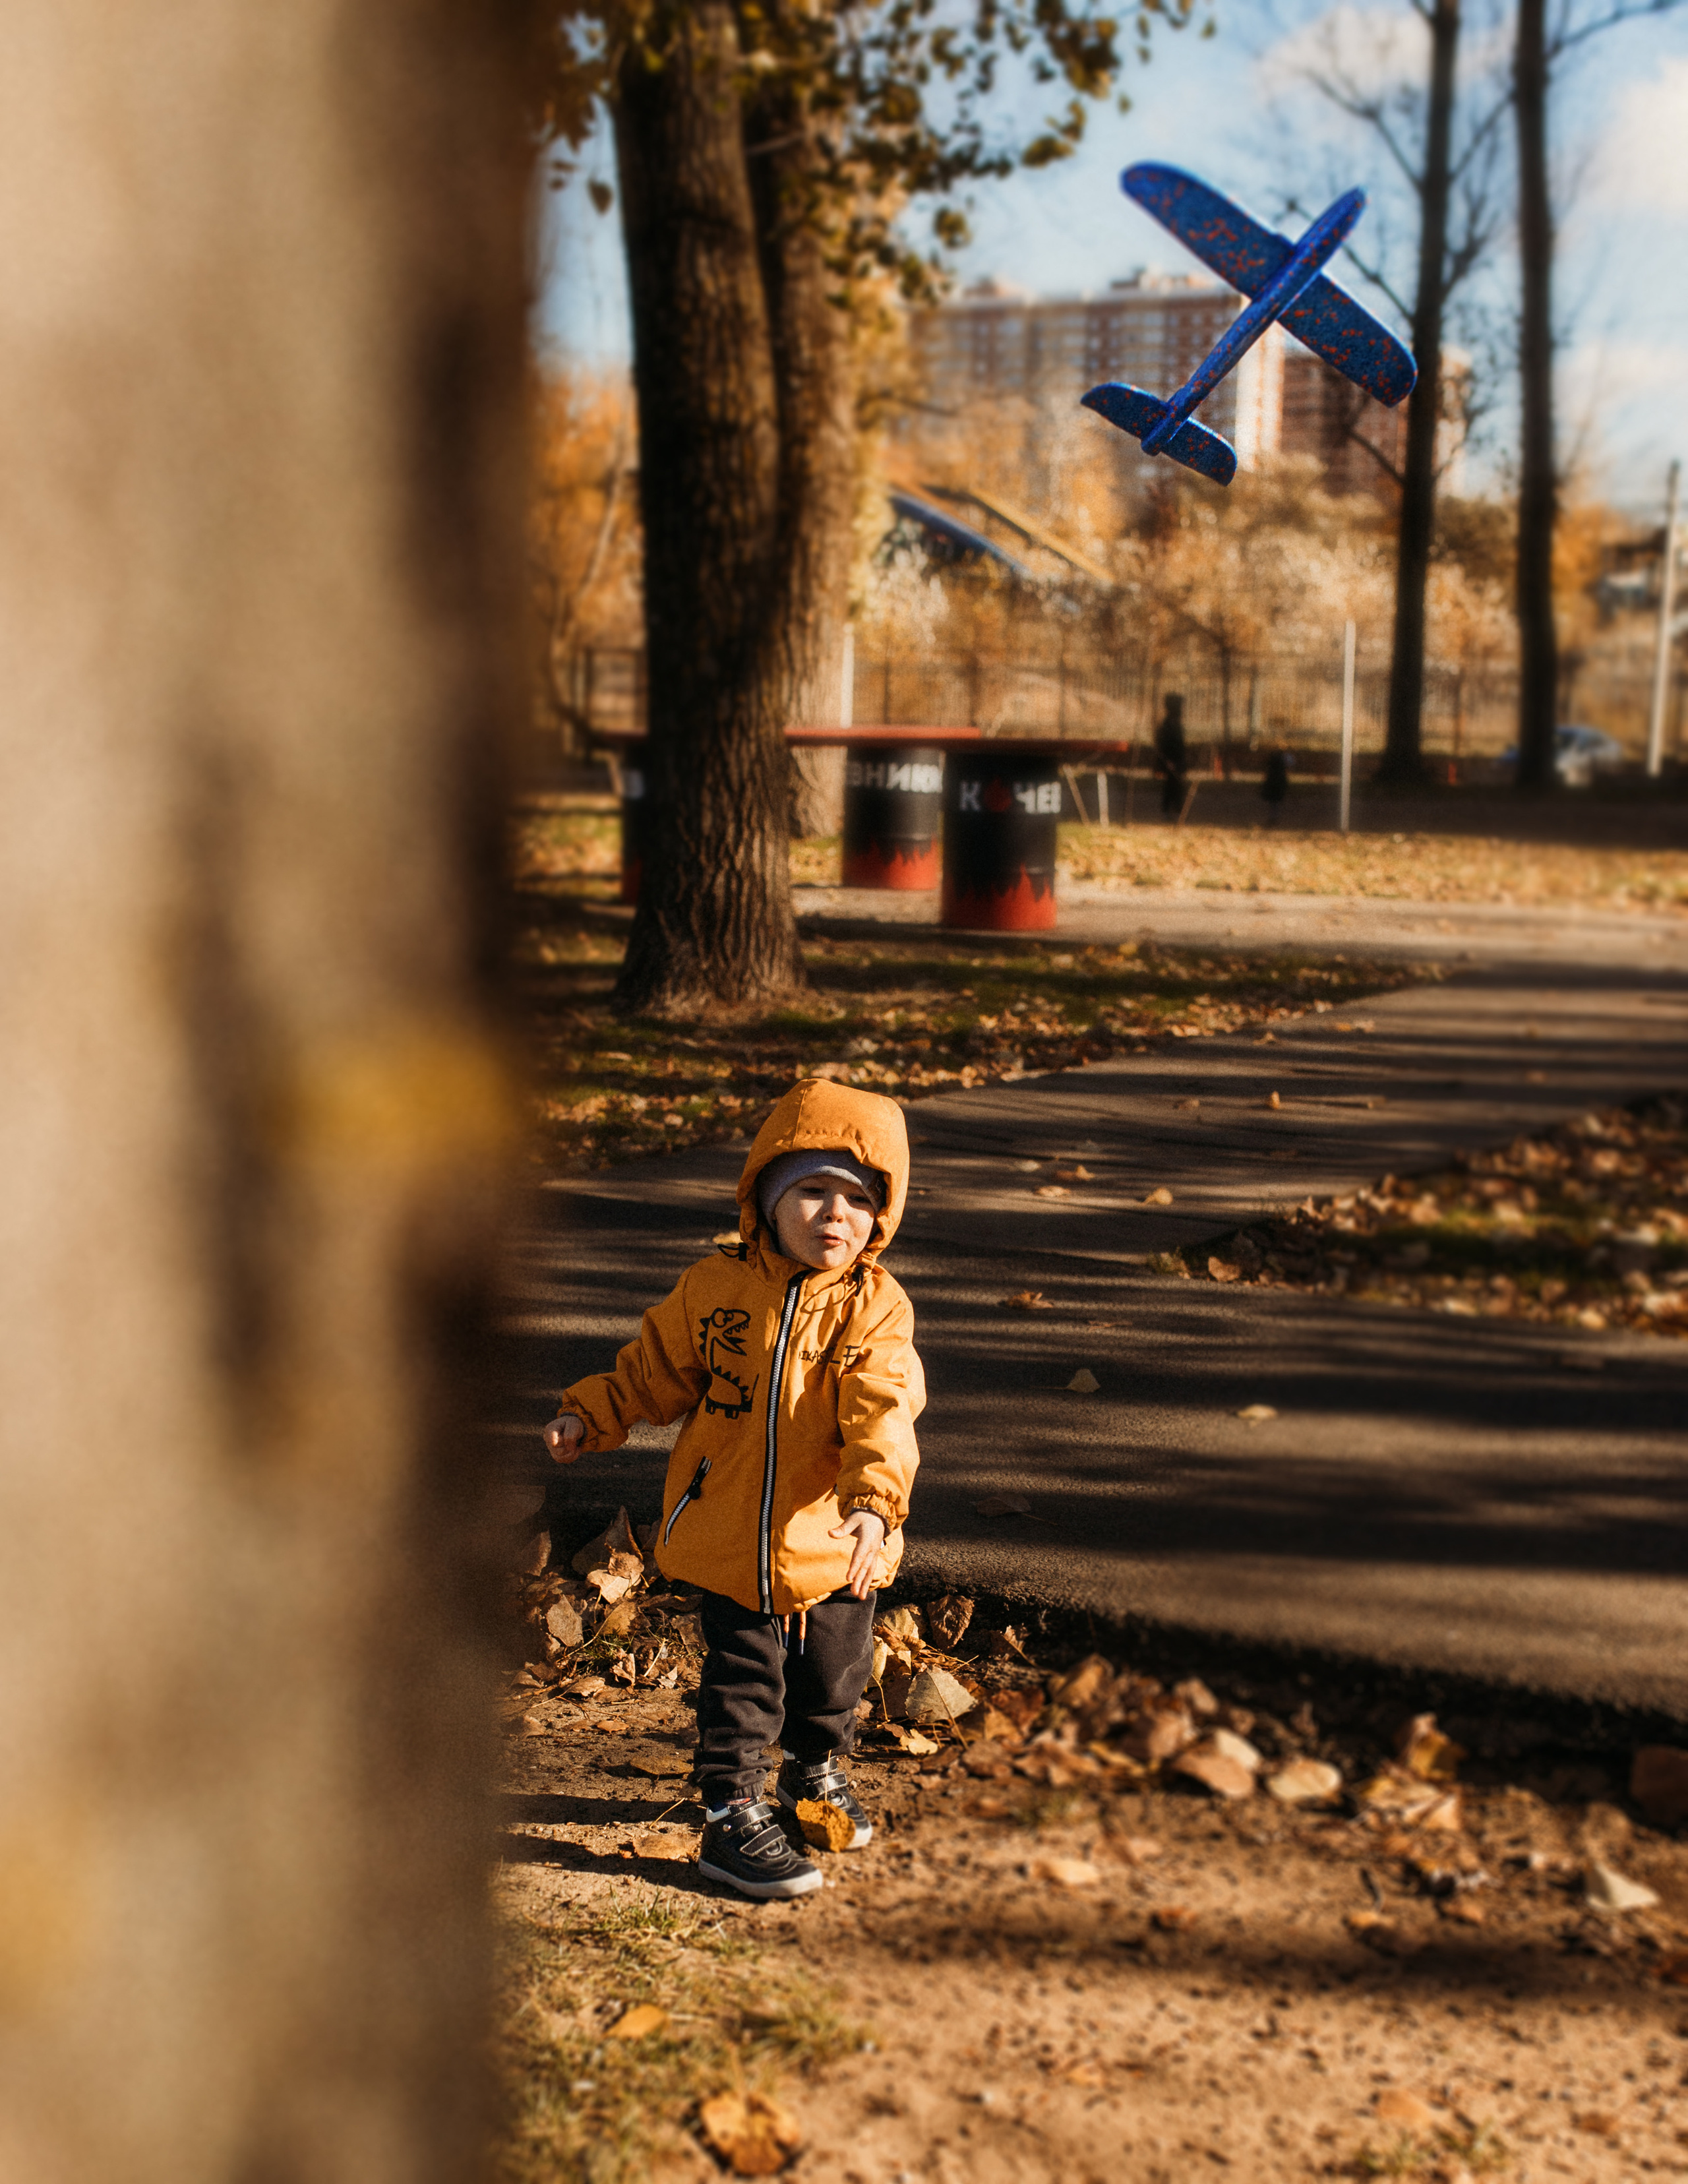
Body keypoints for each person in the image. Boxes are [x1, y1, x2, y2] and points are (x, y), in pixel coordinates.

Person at [543, 1078, 922, 1901]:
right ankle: (729, 1816)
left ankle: (810, 1776)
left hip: (834, 1536)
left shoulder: (875, 1309)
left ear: (881, 1216)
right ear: (765, 1199)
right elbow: (654, 1373)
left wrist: (872, 1506)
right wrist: (591, 1413)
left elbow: (884, 1411)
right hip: (726, 1533)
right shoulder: (715, 1289)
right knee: (743, 1680)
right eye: (812, 1192)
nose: (835, 1216)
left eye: (858, 1200)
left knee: (833, 1677)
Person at [1153, 692, 1188, 818]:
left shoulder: (1175, 722)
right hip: (1172, 760)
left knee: (1176, 785)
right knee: (1172, 785)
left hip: (1177, 759)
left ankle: (1175, 810)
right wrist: (1168, 761)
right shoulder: (1168, 724)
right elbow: (1165, 745)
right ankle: (1168, 810)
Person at [1261, 745, 1291, 826]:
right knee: (1276, 802)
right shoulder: (1281, 764)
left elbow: (1267, 774)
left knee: (1273, 802)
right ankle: (1275, 817)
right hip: (1279, 784)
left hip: (1272, 784)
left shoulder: (1271, 764)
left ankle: (1273, 817)